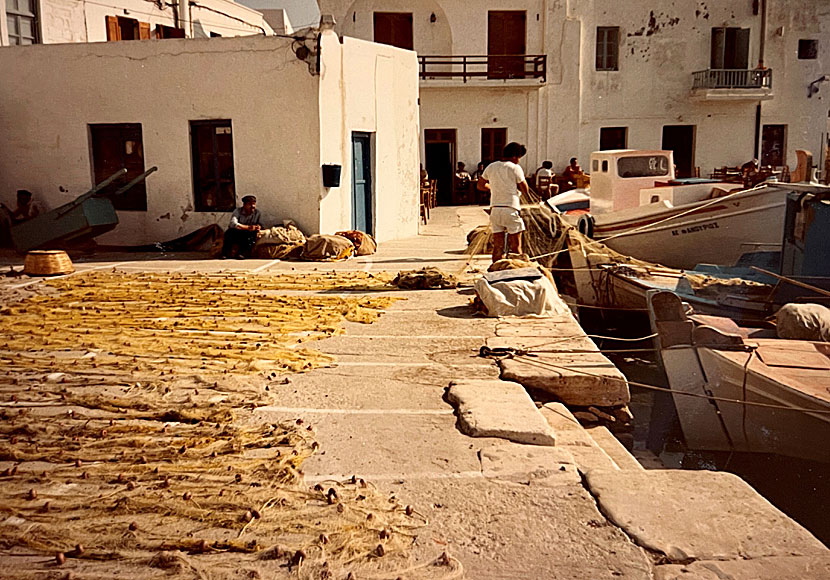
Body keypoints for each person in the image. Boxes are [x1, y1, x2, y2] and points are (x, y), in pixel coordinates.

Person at [477, 142, 530, 263]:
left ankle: (496, 271)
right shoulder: (515, 168)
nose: (519, 161)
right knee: (516, 247)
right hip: (510, 209)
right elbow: (525, 189)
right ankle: (517, 273)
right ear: (515, 156)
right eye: (519, 158)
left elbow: (480, 185)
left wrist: (493, 188)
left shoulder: (491, 166)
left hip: (495, 210)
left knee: (498, 246)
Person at [222, 195, 261, 259]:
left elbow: (260, 224)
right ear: (244, 205)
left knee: (250, 235)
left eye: (254, 204)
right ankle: (225, 254)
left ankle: (242, 253)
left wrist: (258, 227)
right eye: (250, 204)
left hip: (248, 233)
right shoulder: (237, 211)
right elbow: (233, 223)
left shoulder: (257, 213)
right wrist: (247, 227)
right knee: (229, 233)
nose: (252, 206)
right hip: (238, 232)